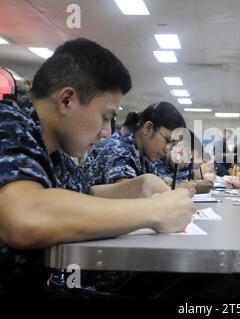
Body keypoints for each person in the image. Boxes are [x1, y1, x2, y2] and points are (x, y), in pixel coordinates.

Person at [0, 38, 194, 296]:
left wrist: (140, 185)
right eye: (105, 117)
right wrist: (153, 211)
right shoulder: (9, 123)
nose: (105, 132)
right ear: (67, 100)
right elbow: (24, 216)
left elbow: (81, 195)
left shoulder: (54, 151)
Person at [83, 101, 195, 196]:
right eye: (167, 140)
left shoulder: (143, 154)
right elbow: (130, 195)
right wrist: (176, 192)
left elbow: (160, 184)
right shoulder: (119, 148)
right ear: (148, 128)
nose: (167, 150)